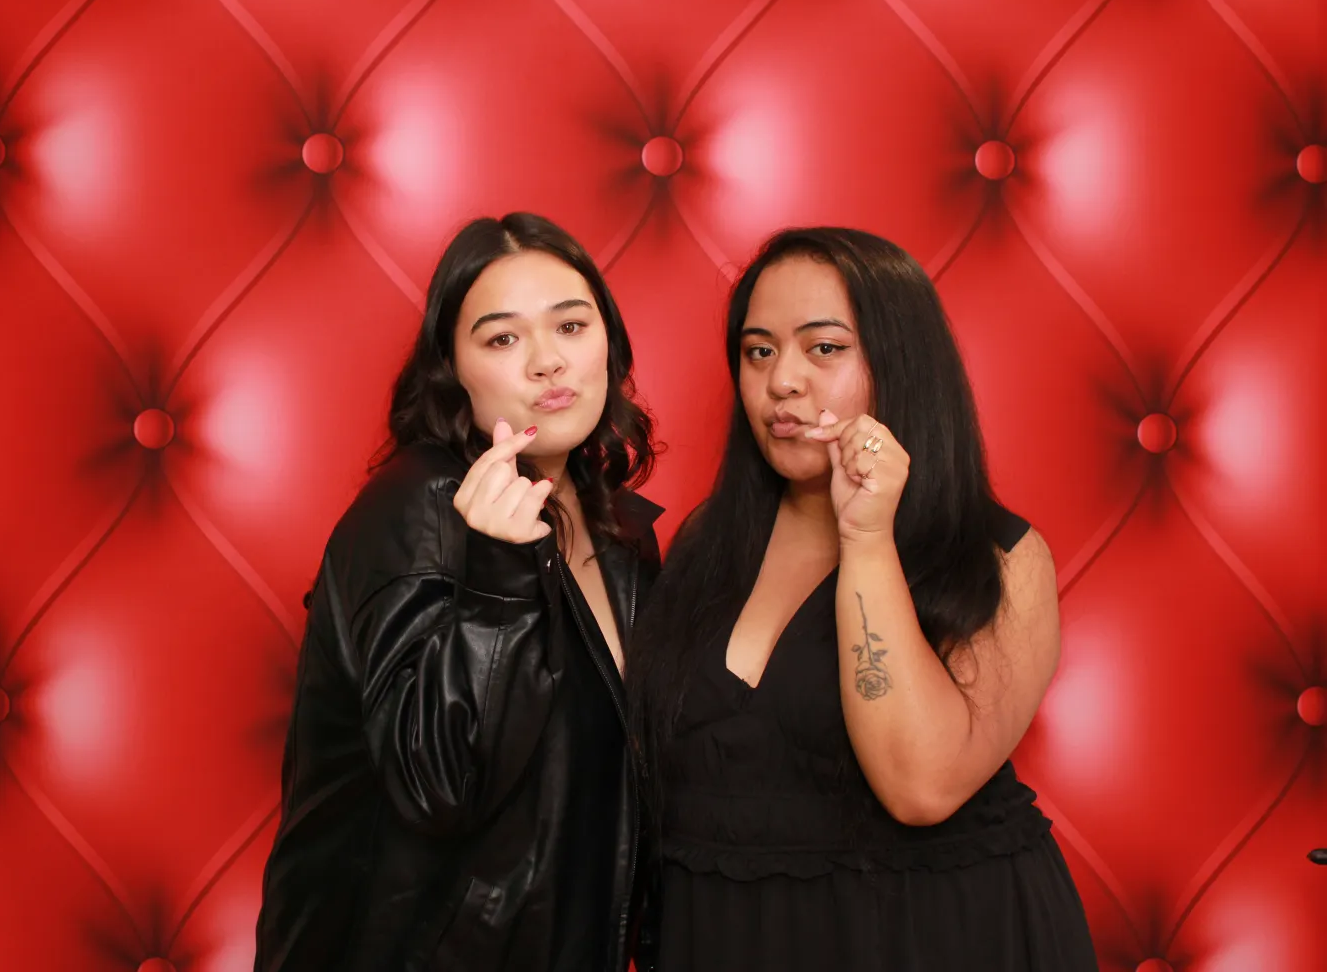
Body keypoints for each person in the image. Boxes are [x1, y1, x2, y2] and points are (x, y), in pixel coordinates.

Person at [625, 227, 1099, 971]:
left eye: (824, 349)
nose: (782, 381)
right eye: (758, 351)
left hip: (931, 939)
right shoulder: (704, 546)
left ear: (897, 363)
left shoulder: (1000, 558)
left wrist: (868, 537)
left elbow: (921, 787)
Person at [252, 212, 665, 972]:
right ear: (454, 369)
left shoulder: (619, 530)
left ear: (609, 343)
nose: (548, 362)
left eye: (572, 326)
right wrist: (500, 585)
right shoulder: (414, 513)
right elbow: (437, 787)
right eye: (503, 339)